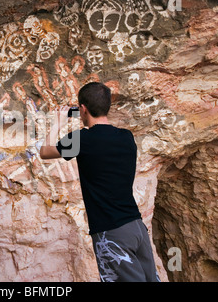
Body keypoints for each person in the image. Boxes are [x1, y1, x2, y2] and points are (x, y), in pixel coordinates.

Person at [39, 82, 160, 282]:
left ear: (83, 109)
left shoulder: (81, 140)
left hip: (112, 232)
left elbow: (45, 151)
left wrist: (58, 122)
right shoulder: (126, 137)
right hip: (137, 227)